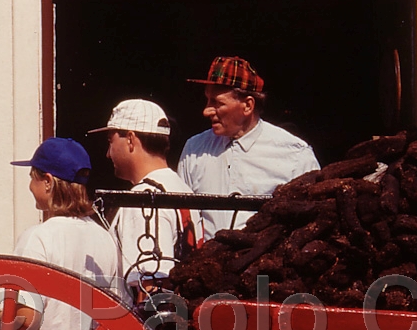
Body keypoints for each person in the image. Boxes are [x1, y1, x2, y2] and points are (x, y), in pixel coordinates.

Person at [7, 137, 124, 330]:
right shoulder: (103, 237)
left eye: (32, 177)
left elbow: (27, 318)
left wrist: (1, 320)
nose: (30, 186)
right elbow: (109, 311)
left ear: (47, 181)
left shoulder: (38, 238)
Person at [177, 56, 320, 239]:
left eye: (217, 103)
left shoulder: (295, 154)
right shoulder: (194, 149)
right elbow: (182, 219)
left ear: (247, 106)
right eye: (207, 101)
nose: (207, 111)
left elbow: (310, 224)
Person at [89, 99, 198, 298]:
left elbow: (150, 287)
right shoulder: (184, 189)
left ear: (130, 139)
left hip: (151, 326)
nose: (107, 153)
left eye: (110, 141)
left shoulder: (141, 200)